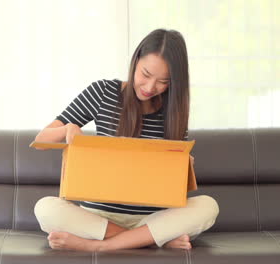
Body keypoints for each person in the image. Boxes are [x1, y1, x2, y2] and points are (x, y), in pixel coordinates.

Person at [33, 29, 219, 252]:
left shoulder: (174, 112)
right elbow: (41, 140)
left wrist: (184, 169)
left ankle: (96, 247)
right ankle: (146, 241)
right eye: (145, 74)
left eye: (163, 82)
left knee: (209, 206)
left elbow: (173, 189)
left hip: (152, 219)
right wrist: (67, 128)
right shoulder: (103, 92)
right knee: (45, 208)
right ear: (135, 61)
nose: (150, 87)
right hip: (97, 217)